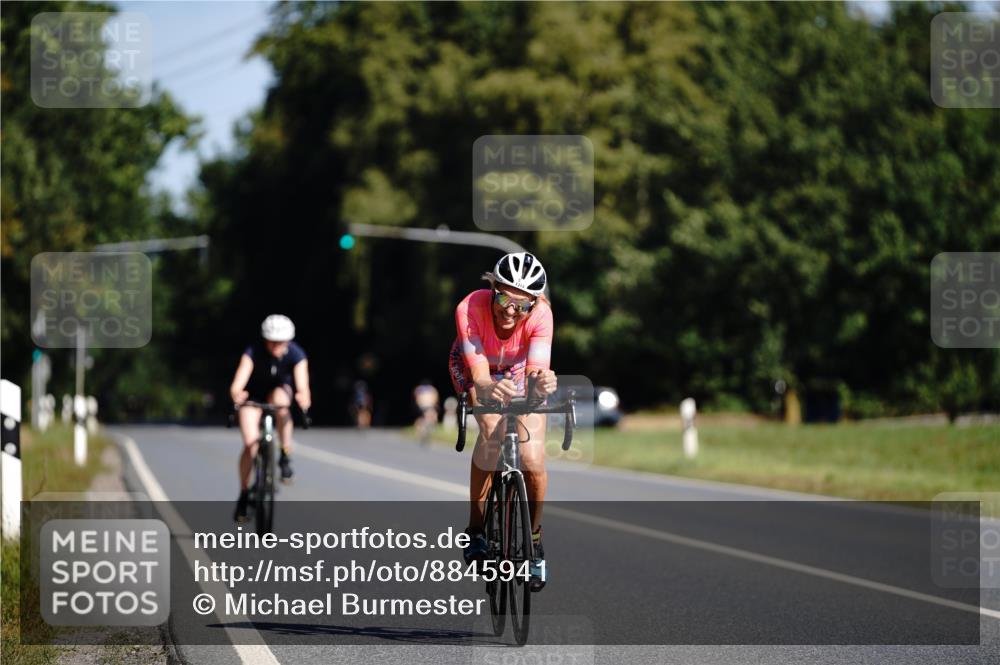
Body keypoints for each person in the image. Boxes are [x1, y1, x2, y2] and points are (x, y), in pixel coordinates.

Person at [448, 252, 558, 590]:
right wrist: (485, 387)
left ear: (534, 304)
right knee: (492, 436)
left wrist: (542, 384)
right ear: (493, 287)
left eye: (521, 306)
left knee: (532, 458)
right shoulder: (470, 308)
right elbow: (480, 375)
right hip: (475, 369)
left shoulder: (542, 315)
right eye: (503, 298)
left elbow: (536, 370)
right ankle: (476, 530)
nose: (510, 311)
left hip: (516, 372)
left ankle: (535, 542)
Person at [229, 314, 311, 522]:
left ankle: (284, 454)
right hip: (253, 397)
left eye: (280, 342)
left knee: (282, 403)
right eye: (272, 341)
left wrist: (303, 397)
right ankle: (244, 492)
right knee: (250, 444)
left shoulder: (296, 354)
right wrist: (237, 392)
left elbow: (302, 386)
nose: (275, 346)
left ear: (288, 341)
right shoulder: (253, 352)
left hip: (278, 393)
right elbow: (239, 380)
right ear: (265, 339)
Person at [413, 379, 439, 444]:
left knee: (422, 419)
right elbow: (435, 397)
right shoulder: (432, 389)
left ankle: (421, 430)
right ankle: (425, 430)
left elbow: (416, 397)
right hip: (428, 405)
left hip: (421, 406)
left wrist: (418, 405)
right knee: (432, 417)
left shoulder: (418, 389)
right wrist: (435, 405)